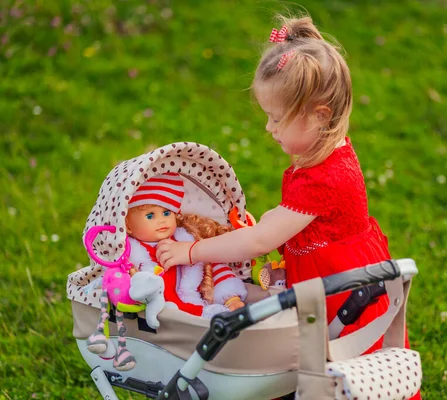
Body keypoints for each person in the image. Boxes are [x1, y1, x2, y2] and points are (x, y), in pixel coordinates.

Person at [157, 17, 420, 399]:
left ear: (320, 116)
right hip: (335, 272)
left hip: (341, 291)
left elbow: (260, 242)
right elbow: (287, 222)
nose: (268, 128)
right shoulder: (328, 152)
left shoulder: (322, 178)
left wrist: (191, 250)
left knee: (338, 370)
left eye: (277, 118)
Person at [127, 173, 247, 318]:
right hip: (159, 315)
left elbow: (214, 266)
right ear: (128, 226)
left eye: (166, 213)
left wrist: (230, 297)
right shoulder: (130, 255)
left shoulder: (186, 242)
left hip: (196, 308)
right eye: (150, 216)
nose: (162, 221)